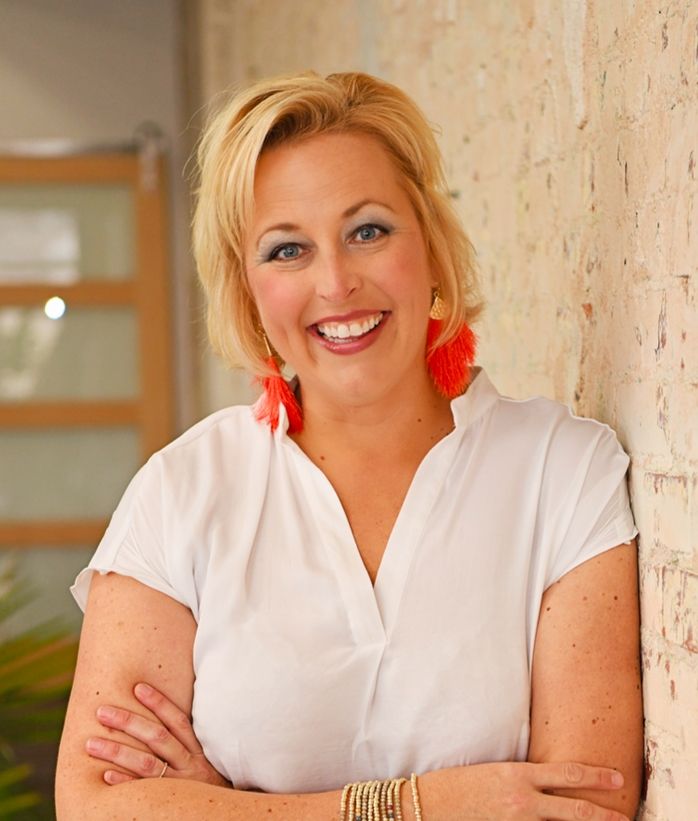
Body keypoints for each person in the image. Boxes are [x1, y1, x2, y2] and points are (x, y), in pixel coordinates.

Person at [55, 71, 642, 821]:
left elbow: (582, 806)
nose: (335, 283)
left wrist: (229, 804)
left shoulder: (565, 472)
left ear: (430, 244)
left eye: (368, 231)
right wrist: (417, 805)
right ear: (247, 290)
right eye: (286, 250)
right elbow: (96, 806)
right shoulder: (181, 493)